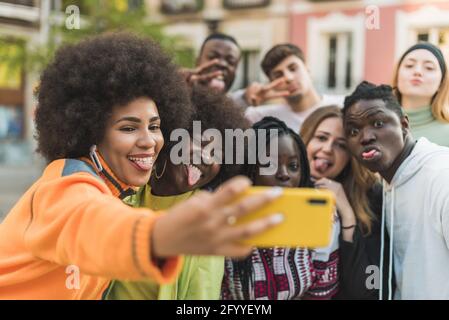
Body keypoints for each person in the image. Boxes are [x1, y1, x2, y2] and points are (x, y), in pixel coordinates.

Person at [0, 33, 285, 299]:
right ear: (89, 132)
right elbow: (91, 223)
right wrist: (160, 236)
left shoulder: (116, 193)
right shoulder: (65, 185)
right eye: (128, 128)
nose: (149, 141)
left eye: (155, 126)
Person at [106, 89, 250, 300]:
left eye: (216, 154)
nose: (206, 158)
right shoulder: (119, 196)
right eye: (201, 143)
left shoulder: (206, 225)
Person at [343, 81, 449, 300]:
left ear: (404, 124)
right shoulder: (387, 187)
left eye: (378, 123)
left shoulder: (441, 176)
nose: (366, 137)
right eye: (353, 130)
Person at [221, 117, 339, 300]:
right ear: (250, 169)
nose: (284, 174)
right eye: (269, 164)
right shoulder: (227, 217)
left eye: (293, 166)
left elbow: (321, 292)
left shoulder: (320, 215)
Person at [300, 105, 388, 300]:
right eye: (321, 137)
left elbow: (365, 290)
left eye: (341, 145)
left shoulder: (371, 200)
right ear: (304, 139)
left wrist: (347, 212)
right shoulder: (277, 186)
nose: (327, 149)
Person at [243, 44, 343, 132]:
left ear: (307, 68)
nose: (288, 78)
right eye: (278, 75)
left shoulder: (343, 106)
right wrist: (246, 99)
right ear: (272, 84)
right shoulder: (261, 117)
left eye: (293, 68)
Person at [392, 42, 449, 147]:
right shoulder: (373, 128)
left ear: (441, 83)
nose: (417, 71)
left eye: (429, 67)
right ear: (397, 76)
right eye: (409, 65)